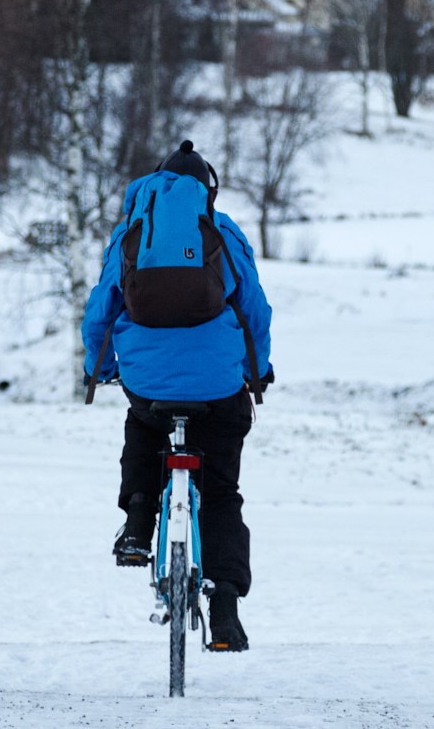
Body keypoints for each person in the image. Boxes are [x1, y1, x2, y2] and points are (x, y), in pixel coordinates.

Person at [81, 140, 273, 653]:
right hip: (218, 384)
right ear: (207, 191)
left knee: (143, 424)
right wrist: (259, 371)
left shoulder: (132, 232)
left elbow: (101, 308)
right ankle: (225, 605)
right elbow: (254, 309)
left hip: (147, 379)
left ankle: (138, 525)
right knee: (221, 492)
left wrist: (98, 370)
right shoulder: (222, 232)